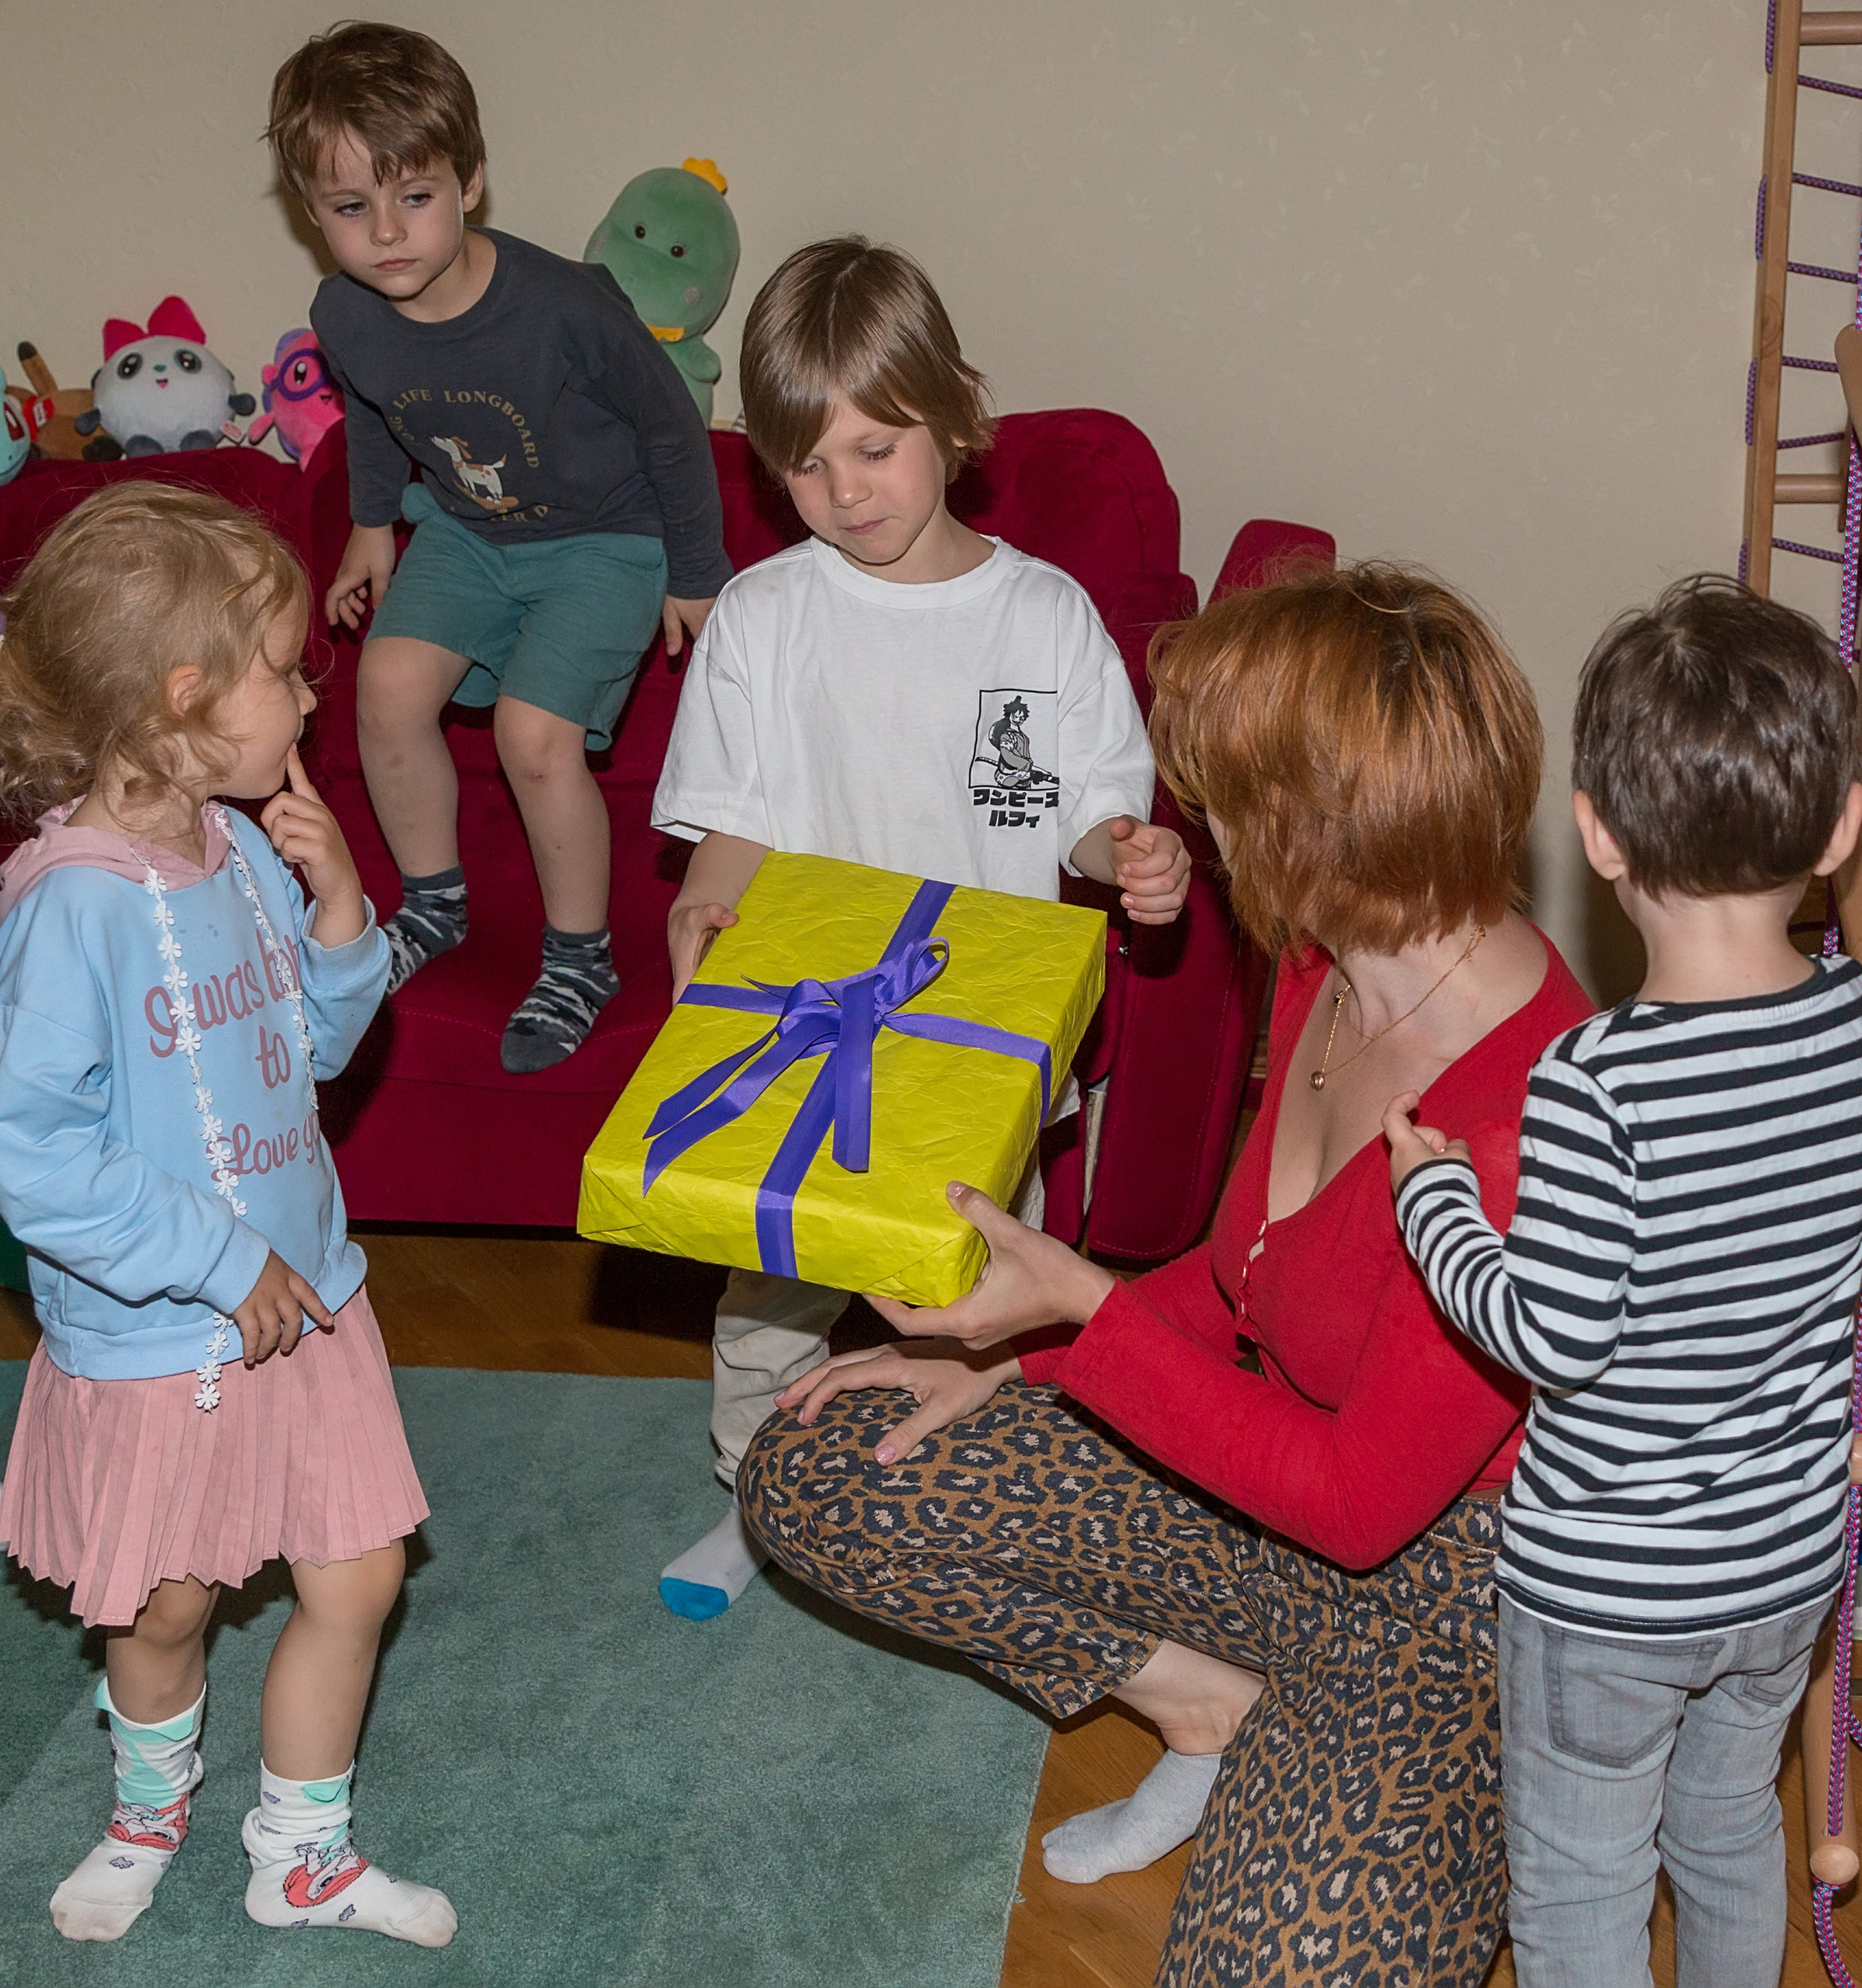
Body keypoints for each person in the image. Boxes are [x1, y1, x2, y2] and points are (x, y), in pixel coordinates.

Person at [738, 563, 1596, 1986]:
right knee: (821, 1462)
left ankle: (1393, 1773)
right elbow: (1239, 1272)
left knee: (1278, 1972)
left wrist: (1082, 1311)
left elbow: (1365, 1506)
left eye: (1229, 801)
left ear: (1318, 825)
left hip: (1448, 1586)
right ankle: (1213, 1711)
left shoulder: (1522, 1122)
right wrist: (1003, 1354)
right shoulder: (1337, 957)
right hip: (1263, 1494)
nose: (1201, 830)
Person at [648, 236, 1191, 1619]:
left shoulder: (1042, 616)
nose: (845, 494)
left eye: (876, 450)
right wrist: (708, 903)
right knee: (767, 1290)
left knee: (976, 1285)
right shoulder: (763, 618)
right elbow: (732, 822)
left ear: (952, 414)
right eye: (807, 467)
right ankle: (758, 1494)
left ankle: (955, 1494)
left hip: (979, 1033)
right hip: (808, 1020)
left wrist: (1125, 853)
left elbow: (1084, 811)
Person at [1381, 576, 1862, 1988]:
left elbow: (1550, 1331)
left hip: (1607, 1590)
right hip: (1783, 1560)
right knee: (1730, 1829)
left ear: (1595, 838)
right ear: (1842, 825)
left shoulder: (1597, 1081)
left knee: (1582, 1877)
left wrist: (1434, 1204)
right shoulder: (1859, 1022)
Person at [0, 485, 452, 1948]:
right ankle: (146, 1810)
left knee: (360, 1572)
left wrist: (333, 918)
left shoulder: (237, 840)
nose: (311, 687)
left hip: (309, 1293)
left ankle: (302, 1852)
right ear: (184, 694)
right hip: (162, 1330)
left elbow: (310, 1055)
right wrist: (214, 1255)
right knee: (167, 1610)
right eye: (284, 665)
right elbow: (28, 1148)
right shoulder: (69, 906)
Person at [266, 22, 733, 1072]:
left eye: (414, 196)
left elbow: (670, 426)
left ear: (469, 180)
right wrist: (371, 523)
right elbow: (376, 414)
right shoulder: (345, 315)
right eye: (350, 208)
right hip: (468, 531)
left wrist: (699, 572)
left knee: (532, 731)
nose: (386, 232)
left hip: (603, 540)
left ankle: (581, 956)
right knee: (382, 687)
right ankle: (433, 906)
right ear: (314, 214)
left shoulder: (566, 306)